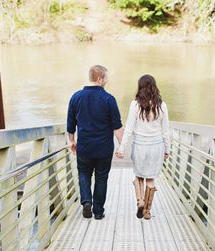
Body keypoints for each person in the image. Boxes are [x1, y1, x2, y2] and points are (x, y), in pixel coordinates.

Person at [67, 65, 124, 220]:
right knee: (101, 177)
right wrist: (122, 146)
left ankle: (86, 201)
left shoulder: (76, 97)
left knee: (84, 174)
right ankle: (98, 211)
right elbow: (117, 127)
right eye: (106, 78)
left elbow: (70, 125)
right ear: (100, 79)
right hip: (104, 148)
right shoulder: (109, 99)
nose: (107, 81)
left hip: (84, 147)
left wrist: (72, 142)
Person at [116, 74, 170, 220]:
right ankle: (147, 211)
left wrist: (121, 148)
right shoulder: (162, 106)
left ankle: (140, 201)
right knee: (151, 178)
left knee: (139, 175)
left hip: (140, 145)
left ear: (140, 87)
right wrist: (167, 149)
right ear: (154, 87)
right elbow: (165, 131)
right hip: (157, 146)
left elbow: (129, 129)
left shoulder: (135, 105)